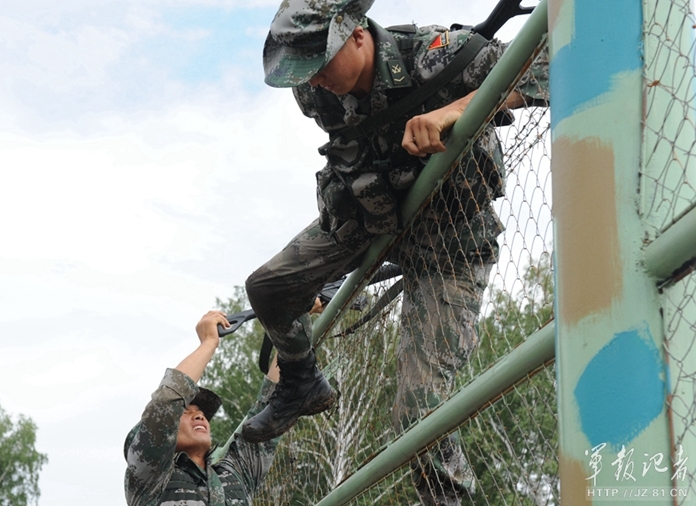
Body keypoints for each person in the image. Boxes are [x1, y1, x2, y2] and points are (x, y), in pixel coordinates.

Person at [241, 0, 549, 504]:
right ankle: (300, 382)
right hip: (373, 222)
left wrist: (460, 108)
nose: (313, 81)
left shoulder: (439, 55)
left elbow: (553, 58)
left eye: (319, 65)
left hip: (451, 242)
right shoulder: (313, 94)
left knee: (417, 416)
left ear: (357, 34)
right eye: (303, 72)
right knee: (268, 287)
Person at [123, 310, 282, 506]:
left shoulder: (236, 475)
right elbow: (165, 404)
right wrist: (209, 343)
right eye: (185, 412)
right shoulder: (150, 479)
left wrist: (293, 317)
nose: (199, 416)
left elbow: (271, 407)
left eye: (200, 413)